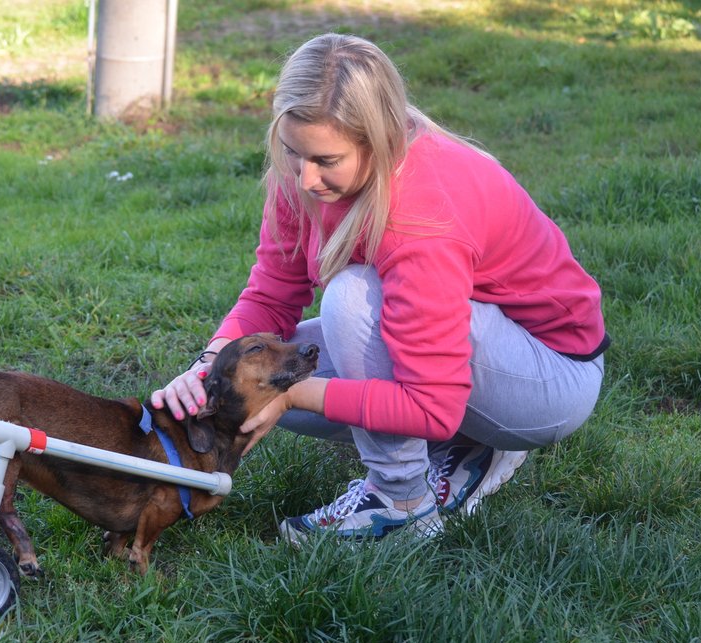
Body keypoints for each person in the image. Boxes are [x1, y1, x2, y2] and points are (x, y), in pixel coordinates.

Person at [151, 33, 608, 545]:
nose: (304, 178)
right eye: (292, 152)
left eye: (326, 160)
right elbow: (273, 292)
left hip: (548, 378)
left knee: (351, 301)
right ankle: (469, 451)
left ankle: (402, 501)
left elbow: (433, 407)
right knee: (256, 377)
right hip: (474, 349)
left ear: (381, 139)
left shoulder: (421, 217)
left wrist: (295, 394)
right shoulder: (303, 173)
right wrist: (209, 365)